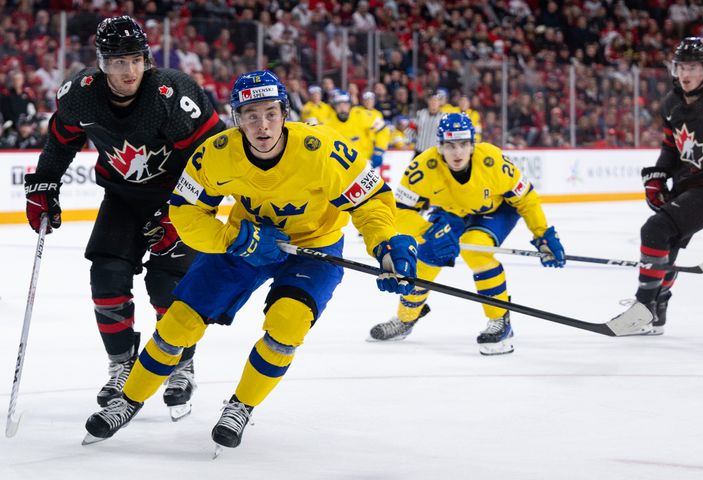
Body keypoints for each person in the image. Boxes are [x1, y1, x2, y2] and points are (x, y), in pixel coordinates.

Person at [82, 70, 417, 449]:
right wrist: (236, 238)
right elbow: (185, 213)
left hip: (314, 248)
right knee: (179, 323)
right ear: (236, 118)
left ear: (285, 113)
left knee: (287, 324)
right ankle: (128, 400)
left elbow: (370, 203)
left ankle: (241, 405)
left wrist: (386, 244)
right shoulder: (216, 153)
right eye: (251, 115)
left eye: (271, 113)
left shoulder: (322, 149)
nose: (262, 125)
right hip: (246, 242)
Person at [23, 16, 224, 417]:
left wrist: (185, 213)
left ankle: (180, 364)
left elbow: (213, 159)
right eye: (117, 62)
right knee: (107, 277)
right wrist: (45, 183)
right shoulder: (80, 95)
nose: (128, 70)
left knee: (168, 287)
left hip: (177, 201)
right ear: (101, 63)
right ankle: (121, 365)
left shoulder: (171, 93)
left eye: (135, 60)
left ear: (146, 59)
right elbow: (61, 142)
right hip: (122, 198)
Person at [368, 113, 566, 355]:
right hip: (452, 213)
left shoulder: (493, 161)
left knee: (475, 249)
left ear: (473, 144)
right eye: (450, 146)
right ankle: (406, 318)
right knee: (426, 256)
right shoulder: (422, 168)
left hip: (495, 211)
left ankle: (499, 320)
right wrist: (429, 231)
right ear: (439, 147)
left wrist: (543, 235)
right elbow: (399, 211)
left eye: (463, 144)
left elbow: (526, 199)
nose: (457, 152)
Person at [612, 37, 703, 335]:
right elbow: (671, 149)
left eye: (693, 67)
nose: (686, 74)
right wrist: (658, 176)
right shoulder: (671, 104)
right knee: (665, 241)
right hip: (690, 185)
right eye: (681, 67)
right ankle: (656, 309)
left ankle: (642, 307)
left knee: (655, 230)